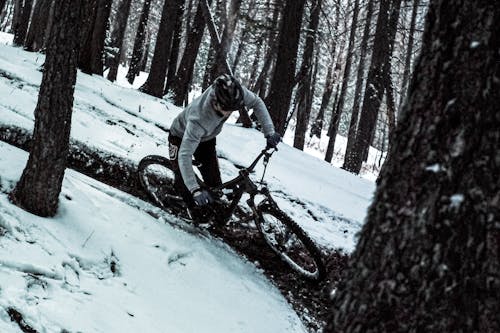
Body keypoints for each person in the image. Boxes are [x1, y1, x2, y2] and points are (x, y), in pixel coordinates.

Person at [168, 74, 281, 212]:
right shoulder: (199, 118)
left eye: (232, 109)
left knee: (214, 183)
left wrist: (269, 132)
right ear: (215, 102)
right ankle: (191, 207)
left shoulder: (235, 93)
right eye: (226, 109)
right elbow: (184, 155)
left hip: (207, 139)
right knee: (183, 180)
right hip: (179, 136)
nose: (228, 114)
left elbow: (257, 102)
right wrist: (194, 189)